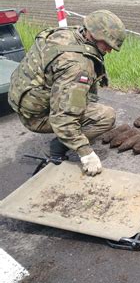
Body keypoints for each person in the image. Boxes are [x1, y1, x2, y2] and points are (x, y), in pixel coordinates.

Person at [8, 10, 126, 176]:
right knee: (106, 116)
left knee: (80, 101)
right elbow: (63, 119)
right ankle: (58, 148)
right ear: (94, 35)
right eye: (107, 45)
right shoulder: (77, 66)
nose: (109, 51)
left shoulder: (66, 34)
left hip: (24, 100)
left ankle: (67, 133)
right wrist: (86, 153)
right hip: (35, 117)